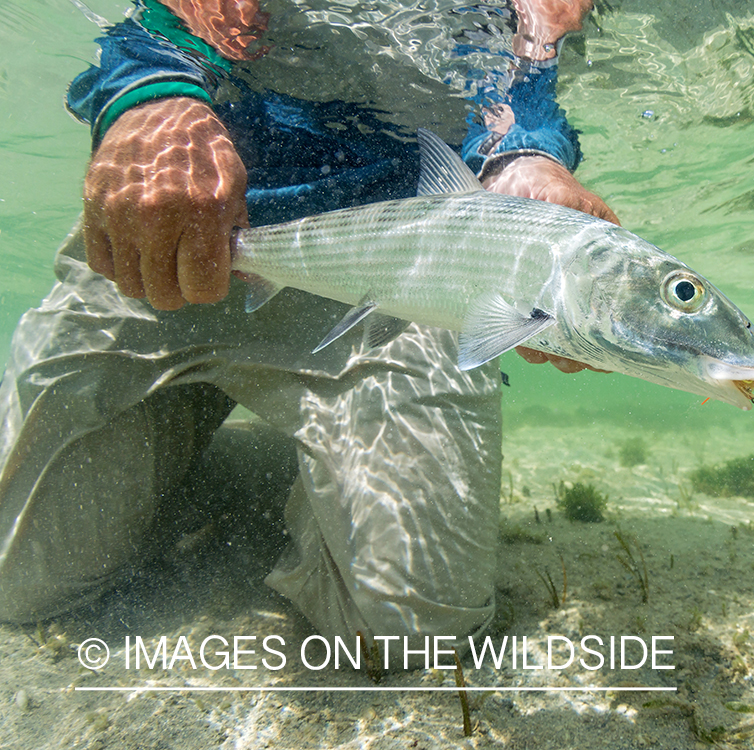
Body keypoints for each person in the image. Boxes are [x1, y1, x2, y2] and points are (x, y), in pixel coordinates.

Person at [0, 0, 616, 670]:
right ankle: (204, 436)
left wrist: (528, 159)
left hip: (393, 276)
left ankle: (287, 454)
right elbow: (159, 22)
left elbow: (520, 83)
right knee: (15, 579)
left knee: (413, 631)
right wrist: (149, 100)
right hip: (180, 236)